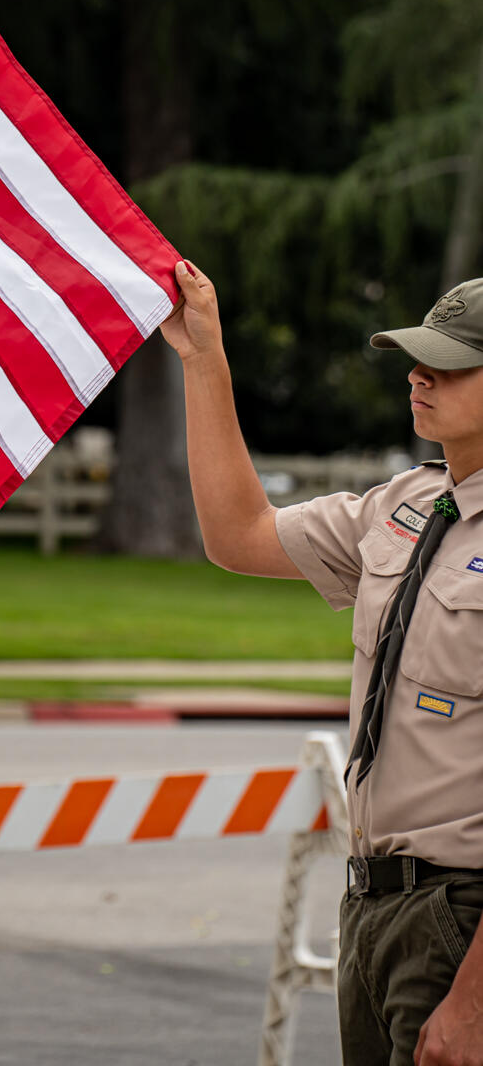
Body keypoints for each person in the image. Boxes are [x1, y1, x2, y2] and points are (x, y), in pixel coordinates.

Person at [163, 260, 483, 1066]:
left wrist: (474, 1000)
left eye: (449, 362)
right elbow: (237, 535)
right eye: (417, 355)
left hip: (463, 918)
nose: (418, 374)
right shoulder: (404, 506)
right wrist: (204, 358)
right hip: (376, 906)